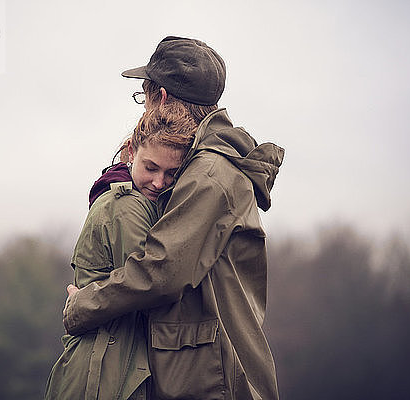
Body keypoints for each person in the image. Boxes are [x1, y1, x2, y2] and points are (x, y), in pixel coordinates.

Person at [63, 36, 284, 399]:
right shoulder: (199, 166)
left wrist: (81, 305)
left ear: (160, 97)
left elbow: (162, 271)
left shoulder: (209, 174)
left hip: (216, 381)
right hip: (205, 375)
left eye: (144, 96)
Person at [44, 103, 198, 400]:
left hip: (112, 362)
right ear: (131, 152)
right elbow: (155, 284)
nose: (158, 182)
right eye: (150, 167)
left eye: (171, 174)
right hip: (106, 369)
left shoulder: (141, 201)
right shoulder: (127, 206)